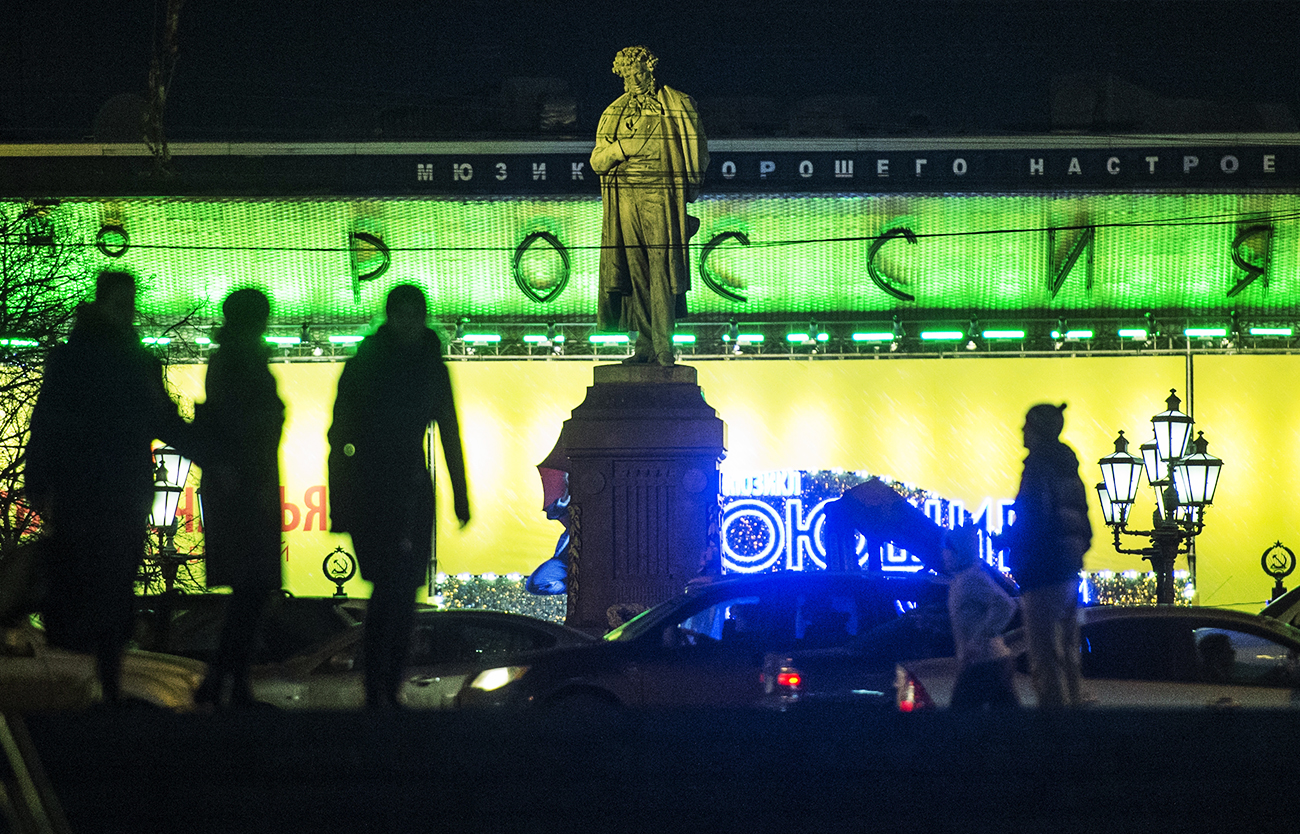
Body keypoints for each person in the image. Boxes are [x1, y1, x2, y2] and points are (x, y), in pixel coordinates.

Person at [24, 269, 191, 703]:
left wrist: (38, 482)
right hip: (121, 485)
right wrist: (211, 448)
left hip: (84, 487)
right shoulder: (132, 360)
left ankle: (91, 675)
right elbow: (161, 419)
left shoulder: (75, 358)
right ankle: (109, 680)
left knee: (92, 577)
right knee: (115, 580)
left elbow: (46, 423)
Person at [328, 284, 470, 710]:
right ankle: (383, 687)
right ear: (393, 316)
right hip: (396, 486)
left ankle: (381, 687)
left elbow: (341, 437)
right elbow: (448, 432)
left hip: (386, 485)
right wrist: (461, 496)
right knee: (395, 589)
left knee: (396, 591)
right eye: (405, 314)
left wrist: (341, 500)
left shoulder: (369, 364)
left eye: (414, 314)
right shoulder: (424, 367)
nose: (410, 323)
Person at [192, 288, 285, 708]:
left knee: (250, 589)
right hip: (248, 484)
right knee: (253, 587)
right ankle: (228, 683)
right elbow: (244, 424)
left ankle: (224, 682)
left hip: (241, 482)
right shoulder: (240, 361)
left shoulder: (229, 359)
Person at [590, 45, 709, 367]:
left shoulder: (677, 103)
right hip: (625, 198)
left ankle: (662, 345)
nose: (634, 80)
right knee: (635, 273)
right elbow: (597, 161)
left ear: (651, 70)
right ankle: (644, 343)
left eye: (639, 73)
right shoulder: (613, 112)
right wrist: (620, 150)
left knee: (662, 271)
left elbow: (697, 150)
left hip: (661, 196)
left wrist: (689, 191)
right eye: (627, 75)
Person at [999, 403, 1092, 709]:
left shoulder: (1038, 466)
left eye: (1027, 425)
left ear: (1038, 431)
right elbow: (1080, 524)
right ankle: (1073, 716)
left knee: (1044, 656)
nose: (1021, 430)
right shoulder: (1067, 465)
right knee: (1067, 654)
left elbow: (1033, 517)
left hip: (1042, 573)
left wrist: (1010, 540)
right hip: (1067, 573)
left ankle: (1055, 732)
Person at [943, 527, 1019, 711]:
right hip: (989, 660)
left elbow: (1006, 605)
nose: (943, 555)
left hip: (984, 662)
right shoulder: (963, 578)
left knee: (959, 718)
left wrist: (978, 638)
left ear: (957, 551)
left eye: (946, 550)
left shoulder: (972, 577)